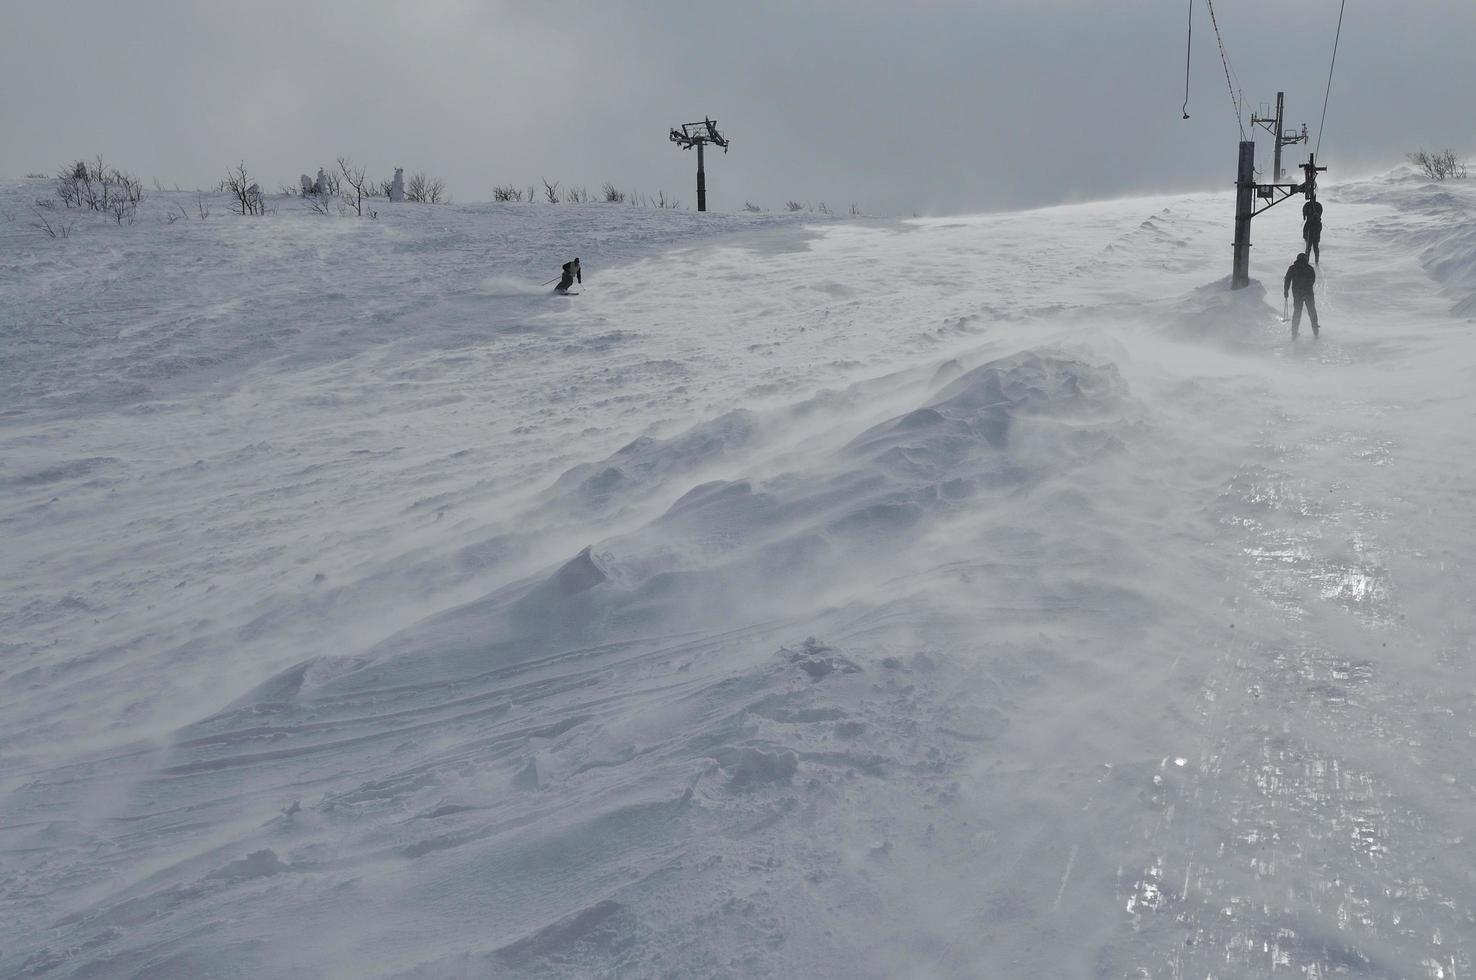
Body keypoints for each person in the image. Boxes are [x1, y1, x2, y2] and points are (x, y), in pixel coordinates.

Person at [1283, 252, 1319, 338]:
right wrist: (1307, 287)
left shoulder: (1292, 268)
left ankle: (1294, 332)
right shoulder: (1309, 268)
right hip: (1308, 293)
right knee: (1312, 310)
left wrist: (1286, 291)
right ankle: (1315, 330)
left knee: (1297, 312)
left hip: (1297, 293)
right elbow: (1313, 280)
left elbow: (1287, 279)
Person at [1302, 196, 1324, 265]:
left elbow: (1305, 229)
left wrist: (1305, 236)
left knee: (1309, 248)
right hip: (1314, 235)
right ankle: (1315, 261)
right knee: (1314, 248)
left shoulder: (1310, 223)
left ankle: (1309, 262)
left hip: (1312, 235)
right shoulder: (1318, 223)